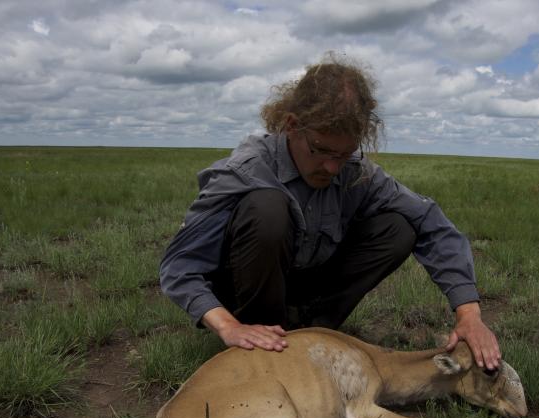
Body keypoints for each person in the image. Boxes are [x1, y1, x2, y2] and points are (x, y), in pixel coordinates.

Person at [159, 54, 501, 370]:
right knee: (267, 208)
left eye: (345, 153)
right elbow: (180, 266)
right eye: (321, 150)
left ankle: (312, 330)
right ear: (292, 125)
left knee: (400, 227)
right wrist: (229, 326)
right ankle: (260, 348)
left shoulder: (355, 172)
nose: (332, 167)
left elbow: (430, 221)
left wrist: (469, 314)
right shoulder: (248, 170)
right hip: (244, 298)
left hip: (305, 284)